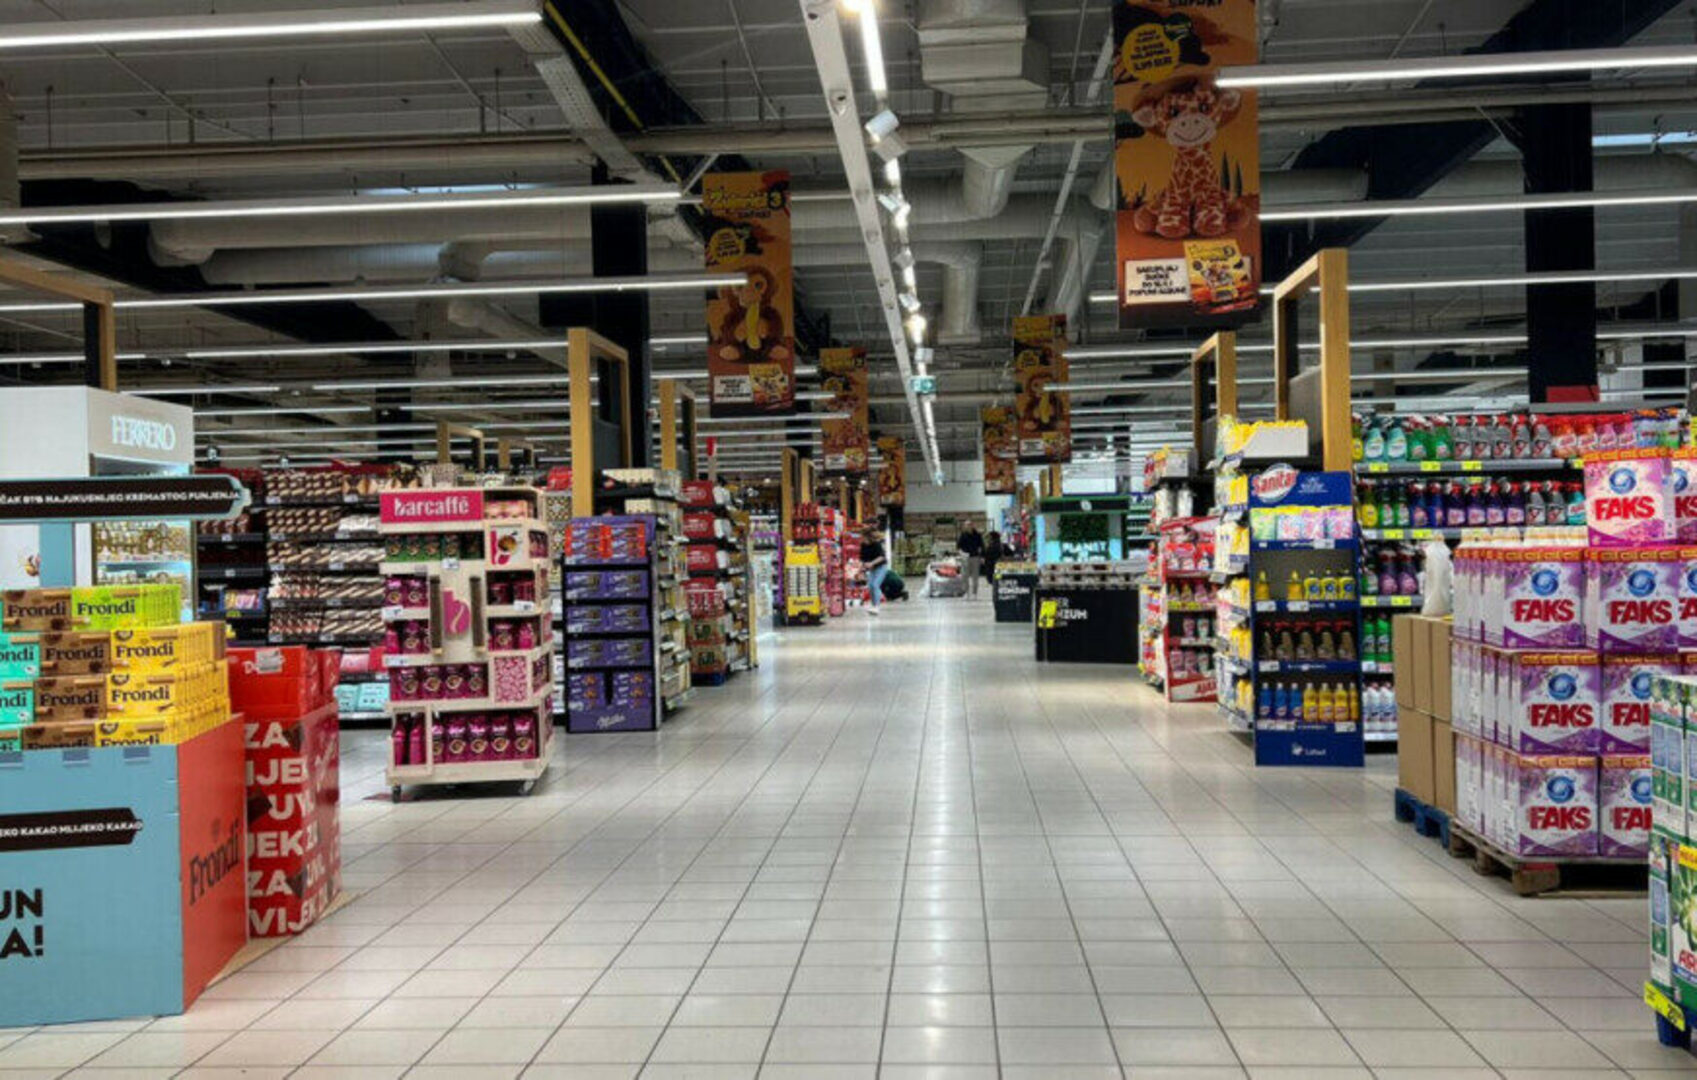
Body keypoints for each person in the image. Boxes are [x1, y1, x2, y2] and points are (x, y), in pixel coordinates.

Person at [862, 530, 889, 616]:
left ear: (868, 537)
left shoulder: (877, 545)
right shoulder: (863, 546)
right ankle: (873, 605)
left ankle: (877, 606)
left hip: (881, 567)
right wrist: (864, 565)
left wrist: (872, 563)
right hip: (872, 568)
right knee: (870, 586)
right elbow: (863, 558)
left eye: (863, 537)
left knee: (875, 585)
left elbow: (882, 557)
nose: (862, 539)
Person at [957, 523, 984, 598]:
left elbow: (981, 546)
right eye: (966, 525)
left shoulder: (977, 535)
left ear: (972, 526)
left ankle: (974, 593)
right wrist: (961, 553)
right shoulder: (963, 535)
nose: (968, 526)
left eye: (970, 525)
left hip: (975, 557)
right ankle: (966, 592)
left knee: (975, 576)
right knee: (964, 575)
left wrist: (982, 556)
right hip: (965, 557)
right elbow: (958, 546)